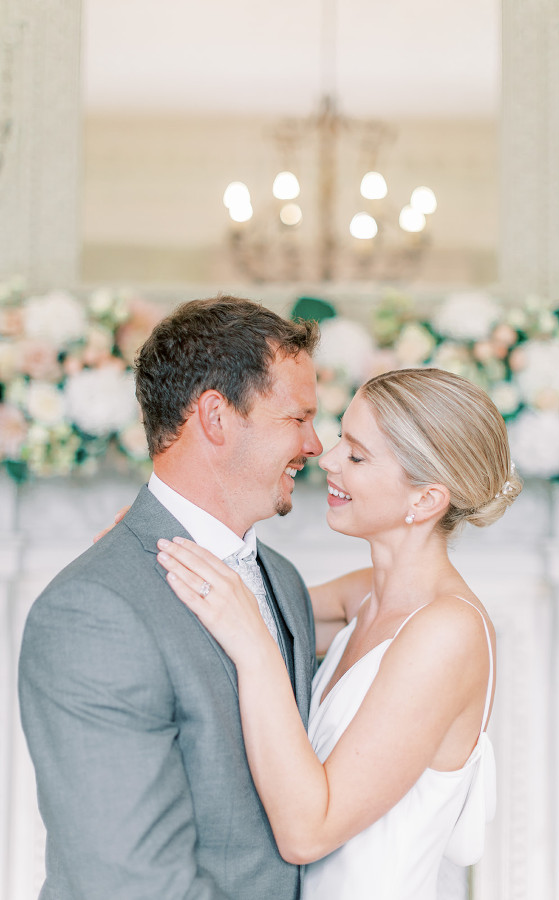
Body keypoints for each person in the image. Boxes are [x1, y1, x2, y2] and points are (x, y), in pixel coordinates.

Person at [154, 367, 522, 900]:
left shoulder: (449, 632)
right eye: (340, 436)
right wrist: (155, 545)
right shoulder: (366, 596)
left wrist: (255, 648)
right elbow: (238, 597)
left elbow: (309, 832)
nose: (324, 458)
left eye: (355, 454)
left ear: (425, 500)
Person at [18, 296, 325, 900]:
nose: (316, 444)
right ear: (215, 416)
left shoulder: (282, 581)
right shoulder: (93, 612)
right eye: (298, 418)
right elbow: (128, 882)